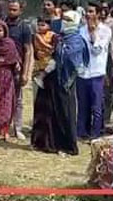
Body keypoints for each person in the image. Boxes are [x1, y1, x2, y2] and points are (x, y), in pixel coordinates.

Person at [33, 10, 87, 155]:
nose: (65, 22)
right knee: (53, 111)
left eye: (68, 20)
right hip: (53, 78)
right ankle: (54, 143)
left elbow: (71, 58)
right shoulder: (60, 37)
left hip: (66, 80)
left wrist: (59, 50)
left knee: (66, 111)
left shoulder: (76, 40)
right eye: (64, 19)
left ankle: (69, 145)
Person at [76, 2, 112, 140]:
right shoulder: (81, 30)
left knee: (96, 106)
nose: (88, 14)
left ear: (98, 14)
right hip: (82, 72)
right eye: (87, 11)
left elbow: (97, 50)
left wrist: (93, 33)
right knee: (82, 104)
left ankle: (96, 133)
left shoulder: (105, 30)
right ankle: (81, 132)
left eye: (91, 11)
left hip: (97, 72)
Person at [2, 0, 33, 139]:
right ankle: (3, 127)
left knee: (18, 99)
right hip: (3, 67)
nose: (11, 12)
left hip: (17, 67)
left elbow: (28, 50)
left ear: (20, 11)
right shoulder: (3, 24)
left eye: (14, 9)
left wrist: (25, 72)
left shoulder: (24, 27)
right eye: (10, 9)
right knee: (3, 98)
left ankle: (18, 128)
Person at [0, 21, 21, 140]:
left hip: (6, 76)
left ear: (5, 31)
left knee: (6, 102)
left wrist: (5, 62)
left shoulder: (10, 44)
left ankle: (4, 129)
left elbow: (14, 58)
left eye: (0, 30)